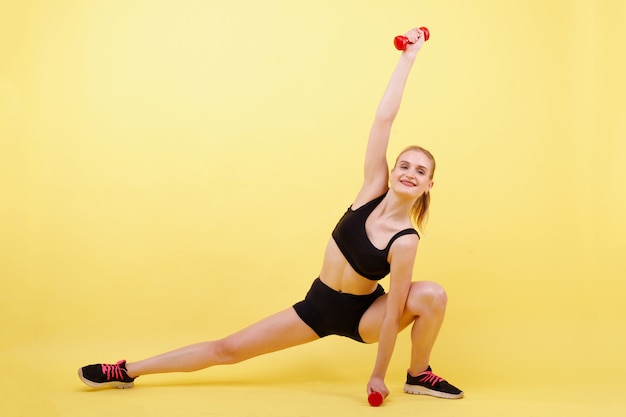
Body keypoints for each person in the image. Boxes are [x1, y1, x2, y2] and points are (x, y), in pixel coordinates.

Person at [78, 27, 464, 401]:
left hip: (365, 318)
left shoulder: (406, 239)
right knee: (227, 349)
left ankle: (418, 374)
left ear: (429, 185)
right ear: (393, 170)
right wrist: (407, 58)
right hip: (318, 305)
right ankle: (127, 370)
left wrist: (378, 376)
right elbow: (383, 120)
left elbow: (395, 309)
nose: (409, 173)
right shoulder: (371, 188)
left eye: (420, 171)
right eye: (405, 165)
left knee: (432, 294)